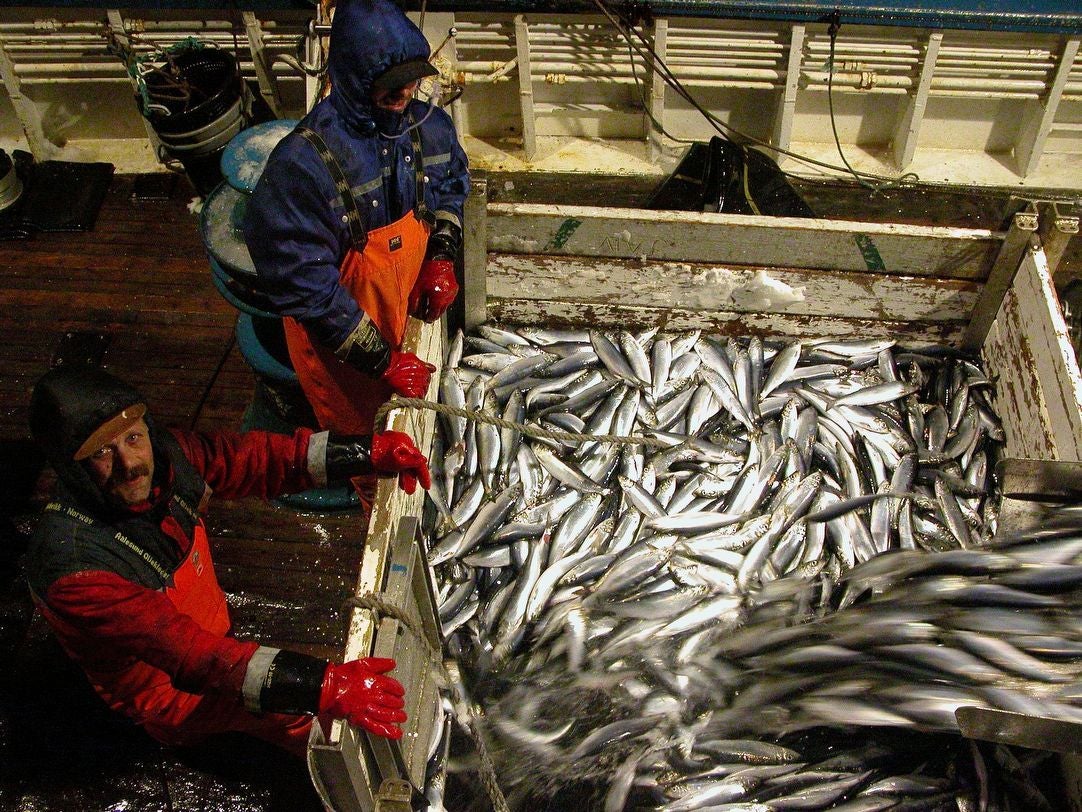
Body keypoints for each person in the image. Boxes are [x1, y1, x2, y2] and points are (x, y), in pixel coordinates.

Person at [24, 365, 432, 757]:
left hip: (209, 633)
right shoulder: (75, 568)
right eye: (102, 453)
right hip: (169, 686)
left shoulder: (169, 457)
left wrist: (364, 452)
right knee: (300, 716)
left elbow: (250, 459)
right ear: (74, 470)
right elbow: (190, 654)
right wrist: (322, 687)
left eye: (133, 438)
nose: (129, 464)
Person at [243, 0, 470, 464]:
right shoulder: (301, 168)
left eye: (412, 79)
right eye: (390, 84)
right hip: (342, 351)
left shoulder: (431, 129)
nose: (405, 92)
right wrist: (383, 361)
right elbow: (307, 287)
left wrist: (442, 256)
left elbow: (451, 186)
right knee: (367, 450)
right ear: (351, 78)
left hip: (405, 313)